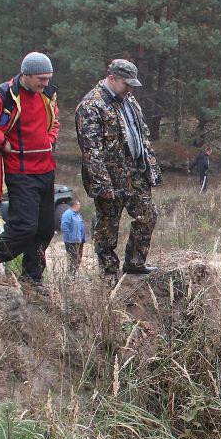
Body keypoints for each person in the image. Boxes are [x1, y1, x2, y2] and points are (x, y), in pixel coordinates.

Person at [0, 52, 59, 290]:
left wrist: (49, 140)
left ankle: (32, 279)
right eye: (41, 78)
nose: (45, 83)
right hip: (20, 172)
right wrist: (1, 141)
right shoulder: (2, 94)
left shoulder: (48, 94)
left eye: (48, 78)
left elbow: (54, 121)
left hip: (46, 170)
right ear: (25, 74)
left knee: (45, 229)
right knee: (24, 228)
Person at [74, 59, 162, 277]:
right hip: (109, 178)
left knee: (148, 215)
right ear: (111, 78)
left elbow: (142, 134)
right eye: (126, 84)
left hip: (136, 172)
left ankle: (135, 263)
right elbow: (91, 150)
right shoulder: (91, 105)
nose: (130, 89)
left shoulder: (129, 100)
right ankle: (108, 273)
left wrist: (150, 167)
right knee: (107, 227)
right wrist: (103, 185)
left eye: (133, 85)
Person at [59, 199, 86, 272]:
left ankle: (74, 274)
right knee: (72, 259)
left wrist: (82, 238)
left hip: (79, 240)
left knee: (78, 259)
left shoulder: (78, 215)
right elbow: (64, 227)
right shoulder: (67, 214)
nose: (80, 206)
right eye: (79, 204)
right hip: (71, 241)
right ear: (75, 205)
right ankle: (71, 275)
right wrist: (69, 238)